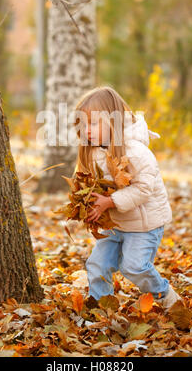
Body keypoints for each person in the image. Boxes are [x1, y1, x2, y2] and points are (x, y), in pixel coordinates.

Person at [72, 86, 182, 312]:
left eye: (93, 124)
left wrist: (110, 202)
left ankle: (163, 292)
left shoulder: (135, 151)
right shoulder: (92, 152)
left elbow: (144, 189)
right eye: (83, 124)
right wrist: (87, 202)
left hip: (144, 225)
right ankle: (102, 307)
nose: (87, 130)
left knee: (134, 266)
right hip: (115, 224)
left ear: (113, 122)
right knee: (97, 264)